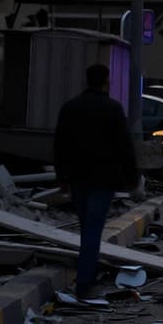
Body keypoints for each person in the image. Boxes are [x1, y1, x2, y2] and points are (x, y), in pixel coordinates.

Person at [53, 64, 138, 299]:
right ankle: (85, 281)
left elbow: (60, 144)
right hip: (104, 177)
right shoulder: (112, 109)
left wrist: (62, 176)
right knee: (93, 228)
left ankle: (86, 275)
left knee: (86, 227)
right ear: (106, 81)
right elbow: (125, 146)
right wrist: (132, 177)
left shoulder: (70, 108)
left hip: (79, 177)